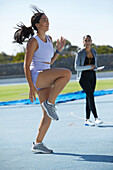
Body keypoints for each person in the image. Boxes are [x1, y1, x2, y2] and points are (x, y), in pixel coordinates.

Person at [14, 5, 71, 153]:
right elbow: (26, 66)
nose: (48, 22)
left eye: (48, 20)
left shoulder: (49, 39)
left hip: (45, 73)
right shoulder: (33, 41)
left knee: (47, 115)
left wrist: (58, 51)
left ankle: (38, 143)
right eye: (44, 20)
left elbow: (49, 62)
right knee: (67, 74)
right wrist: (31, 87)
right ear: (37, 25)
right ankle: (50, 103)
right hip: (36, 76)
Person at [75, 35, 103, 126]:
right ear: (83, 42)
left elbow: (94, 65)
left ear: (91, 41)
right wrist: (89, 67)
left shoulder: (94, 52)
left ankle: (87, 120)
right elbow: (76, 67)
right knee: (90, 95)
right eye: (85, 40)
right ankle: (96, 118)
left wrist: (96, 68)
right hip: (83, 78)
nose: (87, 42)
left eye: (89, 40)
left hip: (92, 76)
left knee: (89, 97)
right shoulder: (80, 53)